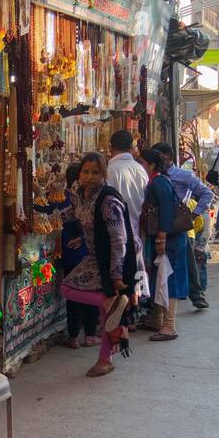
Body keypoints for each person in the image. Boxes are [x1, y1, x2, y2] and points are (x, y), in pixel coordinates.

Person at [57, 152, 138, 377]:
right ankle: (109, 303)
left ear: (104, 174)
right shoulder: (79, 194)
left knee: (105, 315)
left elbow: (119, 239)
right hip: (93, 256)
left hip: (113, 259)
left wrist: (116, 275)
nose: (89, 177)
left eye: (95, 172)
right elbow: (73, 213)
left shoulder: (108, 200)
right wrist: (46, 220)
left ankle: (105, 359)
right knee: (68, 288)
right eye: (85, 171)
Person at [152, 142, 214, 310]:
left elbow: (207, 193)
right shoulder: (152, 176)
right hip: (156, 223)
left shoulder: (182, 175)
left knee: (187, 258)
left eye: (160, 157)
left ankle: (196, 295)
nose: (157, 161)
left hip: (177, 224)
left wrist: (194, 215)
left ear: (169, 157)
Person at [141, 147, 191, 340]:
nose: (140, 166)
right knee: (161, 276)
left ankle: (169, 325)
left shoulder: (159, 183)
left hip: (170, 238)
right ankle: (158, 319)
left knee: (169, 278)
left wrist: (161, 237)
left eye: (142, 163)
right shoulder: (156, 181)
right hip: (166, 237)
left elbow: (167, 210)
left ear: (151, 165)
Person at [57, 163, 101, 348]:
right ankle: (89, 334)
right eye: (86, 173)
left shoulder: (70, 198)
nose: (89, 177)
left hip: (74, 252)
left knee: (74, 294)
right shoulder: (80, 198)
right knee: (85, 290)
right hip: (82, 252)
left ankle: (74, 335)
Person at [106, 129, 148, 231]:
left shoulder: (109, 171)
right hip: (136, 229)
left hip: (115, 232)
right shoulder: (140, 170)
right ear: (131, 148)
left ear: (110, 148)